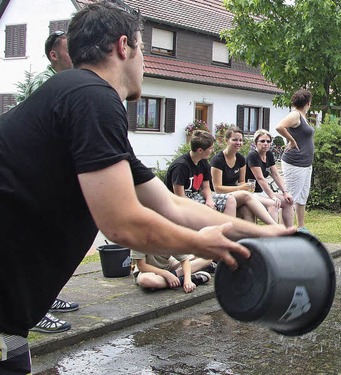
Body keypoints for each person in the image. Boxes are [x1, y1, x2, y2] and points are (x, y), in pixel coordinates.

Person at [0, 3, 294, 373]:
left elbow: (170, 204)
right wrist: (203, 244)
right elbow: (123, 223)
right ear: (124, 47)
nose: (145, 63)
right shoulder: (93, 97)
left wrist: (263, 235)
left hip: (10, 317)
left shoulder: (79, 97)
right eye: (144, 50)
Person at [30, 30, 79, 335]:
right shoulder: (45, 84)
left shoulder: (64, 83)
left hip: (48, 179)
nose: (76, 53)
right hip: (37, 180)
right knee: (39, 246)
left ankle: (46, 298)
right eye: (69, 49)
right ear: (54, 55)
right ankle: (35, 310)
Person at [210, 127, 279, 225]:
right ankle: (275, 226)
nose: (238, 143)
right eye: (234, 140)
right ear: (226, 141)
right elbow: (217, 188)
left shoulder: (241, 159)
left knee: (247, 208)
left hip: (236, 194)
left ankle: (252, 236)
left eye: (241, 140)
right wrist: (241, 188)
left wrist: (246, 186)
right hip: (219, 196)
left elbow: (242, 181)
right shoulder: (217, 160)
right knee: (247, 195)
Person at [165, 130, 237, 216]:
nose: (212, 151)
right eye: (210, 148)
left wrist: (209, 200)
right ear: (200, 150)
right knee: (206, 211)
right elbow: (180, 197)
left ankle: (227, 228)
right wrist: (201, 207)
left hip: (196, 197)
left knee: (230, 200)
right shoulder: (181, 166)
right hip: (178, 203)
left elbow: (206, 187)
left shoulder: (203, 162)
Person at [276, 89, 314, 233]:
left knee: (302, 197)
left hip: (305, 164)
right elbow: (279, 126)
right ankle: (285, 229)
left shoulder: (302, 117)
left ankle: (301, 227)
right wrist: (291, 140)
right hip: (295, 163)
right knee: (290, 198)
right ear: (308, 103)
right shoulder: (295, 115)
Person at [246, 129, 295, 227]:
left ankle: (290, 233)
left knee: (288, 202)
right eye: (262, 141)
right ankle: (273, 235)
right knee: (273, 204)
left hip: (262, 193)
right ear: (256, 142)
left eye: (268, 141)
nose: (265, 144)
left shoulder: (268, 154)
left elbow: (276, 174)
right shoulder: (253, 155)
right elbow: (260, 178)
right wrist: (272, 196)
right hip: (251, 192)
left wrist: (285, 192)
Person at [131, 251, 214, 293]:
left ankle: (184, 277)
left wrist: (187, 280)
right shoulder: (138, 237)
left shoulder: (168, 235)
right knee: (145, 280)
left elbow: (184, 260)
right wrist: (166, 274)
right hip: (148, 271)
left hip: (169, 265)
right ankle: (191, 278)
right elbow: (142, 266)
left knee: (208, 258)